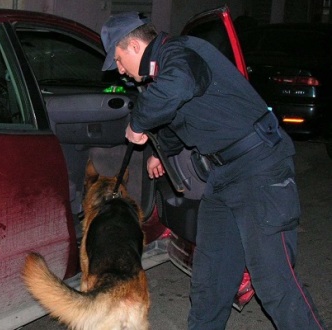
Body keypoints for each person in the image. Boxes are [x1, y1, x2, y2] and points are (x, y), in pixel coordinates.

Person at [100, 12, 326, 330]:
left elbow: (178, 87)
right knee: (211, 280)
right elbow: (184, 111)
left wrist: (139, 122)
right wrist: (163, 153)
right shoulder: (165, 69)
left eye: (119, 61)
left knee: (275, 285)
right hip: (222, 176)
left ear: (135, 46)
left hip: (259, 168)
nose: (120, 71)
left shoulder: (180, 52)